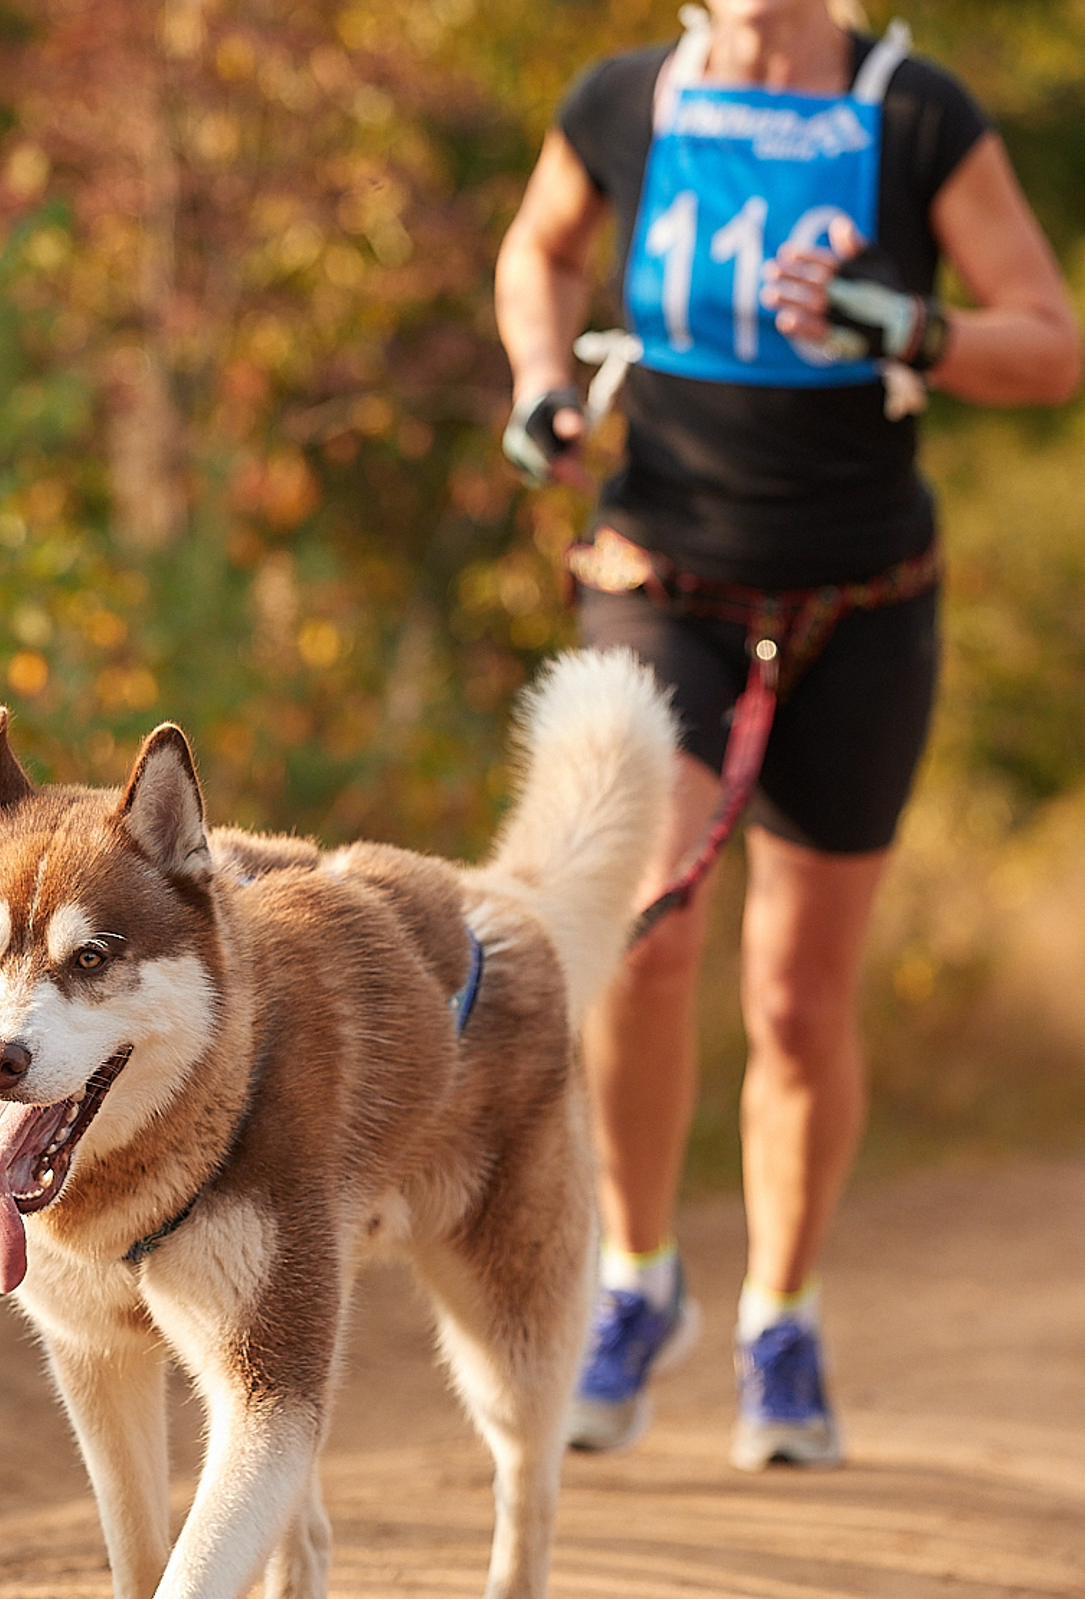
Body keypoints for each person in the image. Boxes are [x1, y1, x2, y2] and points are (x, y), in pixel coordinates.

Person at [493, 0, 1079, 1469]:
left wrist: (913, 328)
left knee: (799, 1001)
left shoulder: (916, 113)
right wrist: (542, 379)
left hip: (860, 602)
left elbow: (1048, 346)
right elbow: (539, 246)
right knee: (648, 925)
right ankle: (638, 1282)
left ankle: (782, 1315)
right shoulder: (626, 97)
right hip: (661, 576)